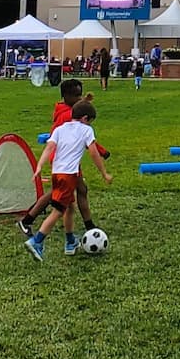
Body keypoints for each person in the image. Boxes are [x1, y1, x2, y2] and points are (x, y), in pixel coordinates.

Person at [27, 95, 111, 261]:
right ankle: (37, 241)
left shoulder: (60, 129)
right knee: (58, 211)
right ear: (85, 118)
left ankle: (70, 241)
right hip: (69, 175)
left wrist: (39, 166)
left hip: (56, 174)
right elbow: (94, 153)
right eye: (90, 121)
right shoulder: (86, 130)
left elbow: (49, 148)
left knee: (69, 207)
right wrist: (104, 173)